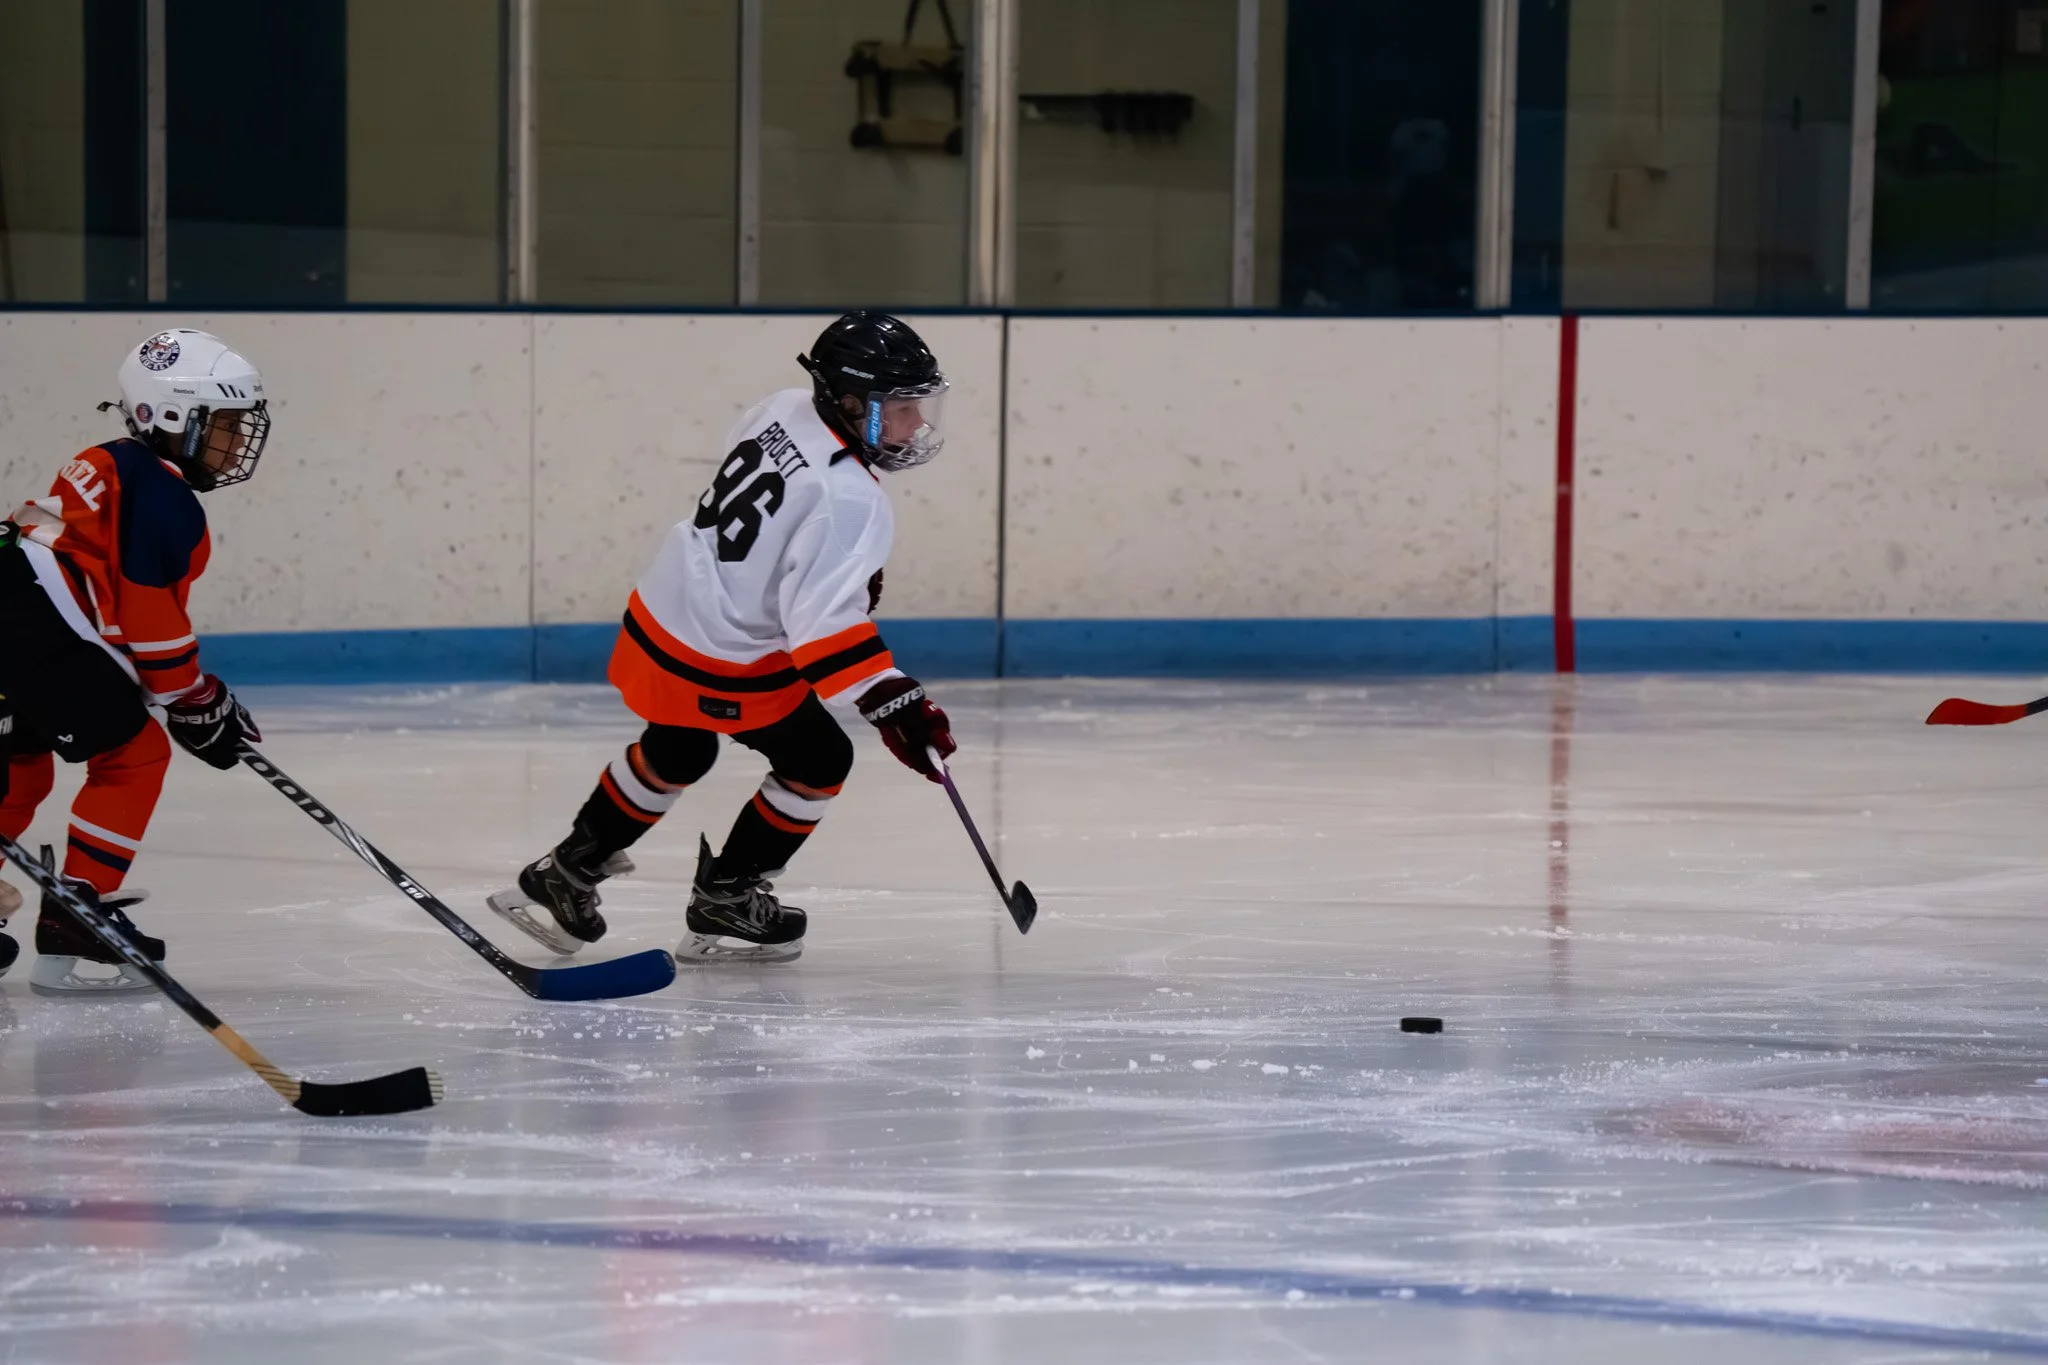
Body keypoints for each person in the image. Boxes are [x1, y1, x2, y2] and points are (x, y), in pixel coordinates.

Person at [490, 311, 957, 965]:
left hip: (662, 611)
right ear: (850, 404)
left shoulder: (784, 406)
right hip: (717, 651)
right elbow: (823, 629)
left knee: (678, 749)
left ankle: (565, 871)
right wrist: (895, 702)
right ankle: (728, 896)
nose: (916, 423)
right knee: (819, 761)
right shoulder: (853, 498)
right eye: (901, 407)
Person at [0, 330, 266, 994]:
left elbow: (103, 600)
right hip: (27, 615)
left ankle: (72, 921)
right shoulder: (166, 496)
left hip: (12, 589)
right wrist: (194, 699)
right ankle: (79, 917)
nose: (236, 441)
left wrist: (179, 693)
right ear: (170, 415)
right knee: (134, 755)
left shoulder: (111, 460)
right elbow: (149, 618)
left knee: (18, 766)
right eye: (225, 424)